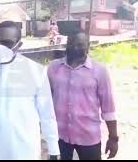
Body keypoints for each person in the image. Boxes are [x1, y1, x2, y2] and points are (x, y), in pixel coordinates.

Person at [0, 21, 60, 160]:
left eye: (6, 43)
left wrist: (53, 149)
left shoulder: (36, 71)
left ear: (19, 45)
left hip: (25, 151)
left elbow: (47, 114)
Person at [47, 31, 118, 160]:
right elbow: (46, 100)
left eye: (80, 44)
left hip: (88, 137)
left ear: (88, 46)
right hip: (60, 136)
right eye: (71, 43)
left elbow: (108, 108)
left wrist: (113, 138)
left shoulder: (99, 71)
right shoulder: (53, 68)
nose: (75, 47)